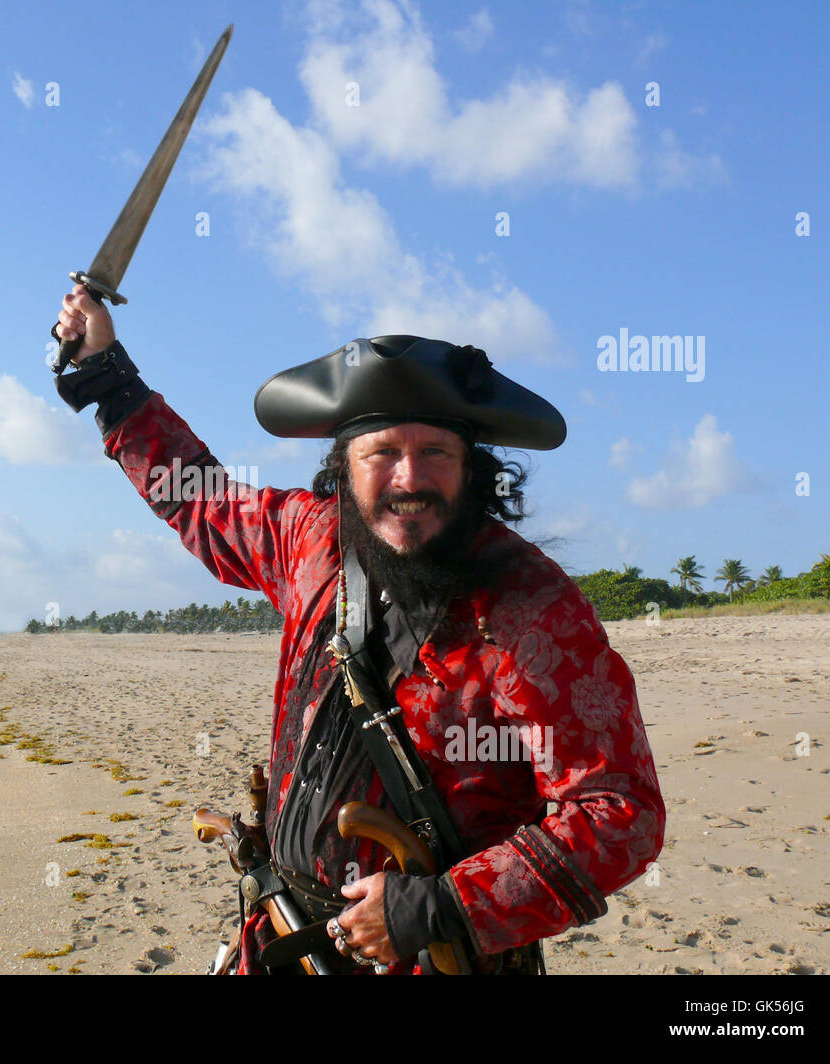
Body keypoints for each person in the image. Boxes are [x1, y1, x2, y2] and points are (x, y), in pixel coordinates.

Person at [52, 285, 665, 974]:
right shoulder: (308, 540)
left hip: (436, 957)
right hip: (284, 938)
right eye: (383, 453)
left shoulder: (532, 606)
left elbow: (619, 811)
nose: (410, 478)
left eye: (436, 452)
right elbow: (200, 497)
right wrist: (106, 371)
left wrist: (438, 906)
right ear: (343, 466)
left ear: (474, 470)